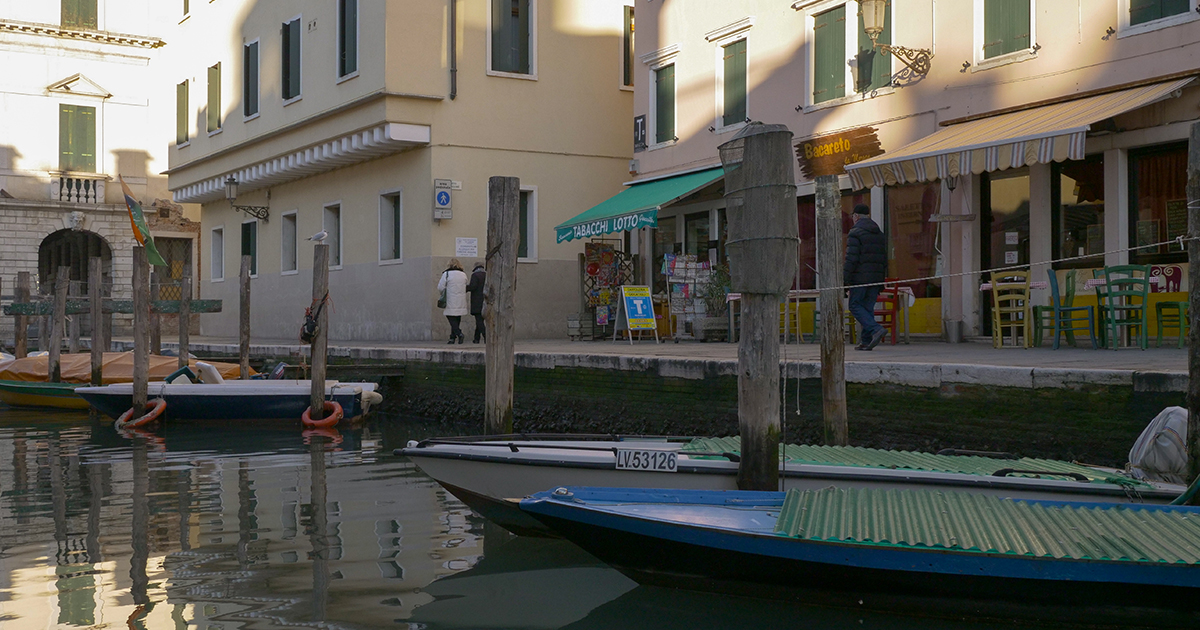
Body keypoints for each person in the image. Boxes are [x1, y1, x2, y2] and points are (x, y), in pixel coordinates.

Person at [844, 204, 888, 350]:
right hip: (876, 278)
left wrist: (845, 280)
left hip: (860, 279)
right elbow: (884, 259)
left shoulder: (855, 233)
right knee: (867, 308)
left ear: (855, 216)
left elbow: (851, 259)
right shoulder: (879, 233)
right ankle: (866, 341)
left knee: (854, 305)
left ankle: (875, 329)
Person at [438, 259, 469, 344]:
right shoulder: (463, 274)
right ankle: (452, 337)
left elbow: (440, 287)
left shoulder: (446, 274)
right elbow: (466, 285)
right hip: (461, 299)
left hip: (450, 299)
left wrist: (443, 293)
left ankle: (459, 333)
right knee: (457, 317)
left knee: (450, 317)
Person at [466, 262, 486, 343]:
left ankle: (486, 336)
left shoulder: (475, 275)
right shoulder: (486, 275)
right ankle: (476, 338)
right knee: (480, 319)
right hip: (485, 300)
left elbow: (473, 286)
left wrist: (464, 288)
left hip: (477, 300)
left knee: (479, 320)